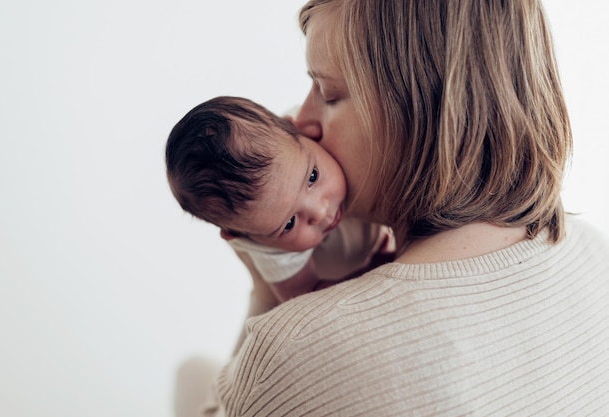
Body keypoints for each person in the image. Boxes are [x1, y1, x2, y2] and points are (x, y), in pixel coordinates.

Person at [190, 0, 609, 415]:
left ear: (422, 113)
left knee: (191, 374)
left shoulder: (295, 348)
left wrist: (267, 280)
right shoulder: (594, 251)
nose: (301, 120)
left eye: (329, 93)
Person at [165, 96, 395, 304]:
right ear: (243, 236)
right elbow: (307, 300)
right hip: (270, 303)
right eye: (289, 224)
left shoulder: (315, 127)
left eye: (312, 177)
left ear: (300, 129)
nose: (319, 211)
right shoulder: (266, 249)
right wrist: (370, 272)